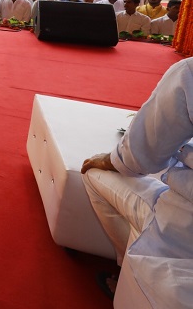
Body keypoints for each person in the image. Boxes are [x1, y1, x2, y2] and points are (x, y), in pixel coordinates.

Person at [80, 58, 193, 305]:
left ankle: (125, 273)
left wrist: (107, 160)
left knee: (93, 175)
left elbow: (139, 159)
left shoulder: (189, 72)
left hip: (183, 229)